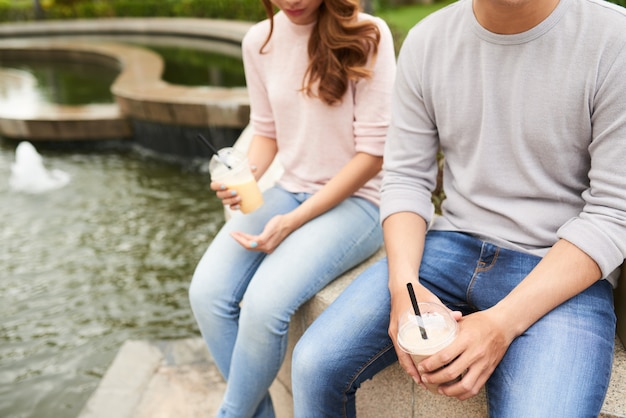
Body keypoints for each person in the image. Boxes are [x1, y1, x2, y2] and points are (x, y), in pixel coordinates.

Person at [291, 0, 626, 416]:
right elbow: (406, 178)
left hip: (558, 264)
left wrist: (501, 324)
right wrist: (404, 286)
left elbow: (614, 212)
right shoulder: (428, 40)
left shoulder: (614, 39)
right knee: (313, 365)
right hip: (449, 246)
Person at [188, 0, 396, 416]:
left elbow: (374, 155)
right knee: (206, 293)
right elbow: (266, 131)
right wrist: (242, 172)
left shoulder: (368, 34)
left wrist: (294, 221)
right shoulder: (258, 41)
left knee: (264, 307)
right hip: (290, 187)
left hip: (361, 200)